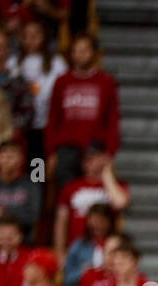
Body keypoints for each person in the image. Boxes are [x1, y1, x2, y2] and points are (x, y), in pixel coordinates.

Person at [45, 34, 120, 191]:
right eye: (76, 51)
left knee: (92, 196)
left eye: (85, 51)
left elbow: (112, 120)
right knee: (66, 195)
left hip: (95, 148)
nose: (80, 55)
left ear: (94, 53)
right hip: (66, 148)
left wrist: (110, 152)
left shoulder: (106, 82)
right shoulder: (61, 82)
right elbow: (53, 118)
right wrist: (51, 152)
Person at [0, 139, 41, 236]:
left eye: (12, 155)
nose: (8, 159)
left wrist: (2, 213)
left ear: (21, 159)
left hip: (22, 242)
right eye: (4, 155)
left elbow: (31, 218)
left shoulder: (31, 186)